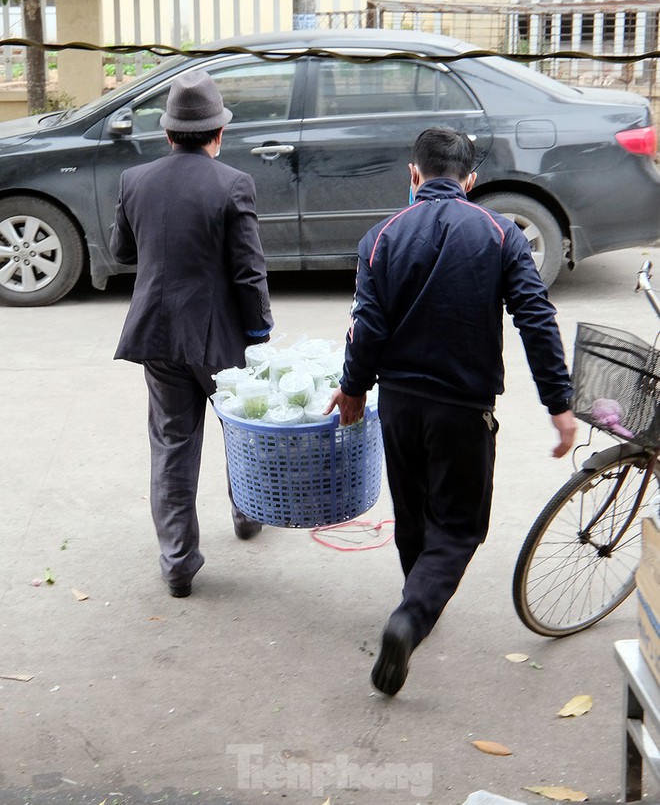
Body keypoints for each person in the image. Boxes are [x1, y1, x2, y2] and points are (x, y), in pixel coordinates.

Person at [325, 127, 577, 695]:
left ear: (413, 176)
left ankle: (413, 605)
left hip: (399, 406)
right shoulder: (500, 234)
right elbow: (535, 318)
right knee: (458, 527)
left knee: (412, 514)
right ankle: (412, 617)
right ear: (469, 181)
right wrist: (559, 403)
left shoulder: (382, 237)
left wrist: (354, 391)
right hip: (463, 409)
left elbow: (367, 327)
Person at [110, 69, 273, 598]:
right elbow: (249, 271)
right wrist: (259, 328)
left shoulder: (135, 181)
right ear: (218, 134)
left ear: (168, 132)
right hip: (219, 337)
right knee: (240, 431)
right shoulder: (233, 183)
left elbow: (122, 255)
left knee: (173, 442)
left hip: (158, 333)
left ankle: (178, 562)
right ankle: (247, 516)